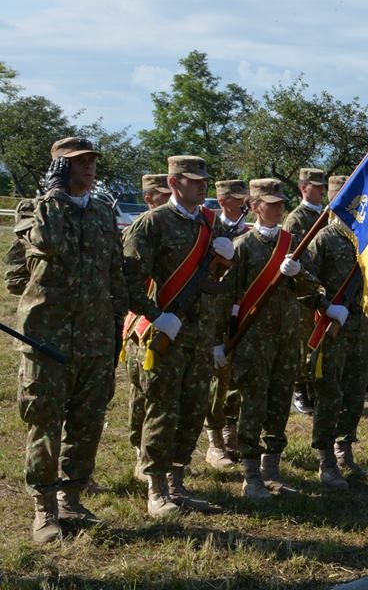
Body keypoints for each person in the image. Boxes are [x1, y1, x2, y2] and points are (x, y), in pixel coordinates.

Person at [15, 137, 128, 543]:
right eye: (79, 163)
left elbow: (116, 273)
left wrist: (118, 325)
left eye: (92, 162)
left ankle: (71, 498)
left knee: (88, 422)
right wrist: (54, 193)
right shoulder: (37, 208)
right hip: (49, 337)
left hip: (97, 337)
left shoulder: (101, 212)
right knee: (45, 422)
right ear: (60, 169)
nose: (89, 168)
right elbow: (45, 243)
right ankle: (44, 510)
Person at [123, 155, 234, 517]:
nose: (201, 185)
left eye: (204, 180)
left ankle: (178, 484)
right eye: (192, 180)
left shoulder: (209, 223)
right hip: (165, 333)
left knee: (192, 410)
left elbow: (215, 284)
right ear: (173, 183)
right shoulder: (151, 223)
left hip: (199, 333)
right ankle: (156, 489)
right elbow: (128, 282)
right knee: (162, 409)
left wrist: (225, 262)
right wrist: (157, 316)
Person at [225, 179, 320, 499]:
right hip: (253, 343)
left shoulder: (294, 244)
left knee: (279, 404)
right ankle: (251, 474)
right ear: (253, 206)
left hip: (286, 338)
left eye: (281, 201)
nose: (278, 207)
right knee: (253, 405)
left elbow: (313, 291)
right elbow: (227, 299)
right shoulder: (243, 247)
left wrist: (299, 274)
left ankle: (272, 471)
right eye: (270, 202)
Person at [304, 175, 368, 489]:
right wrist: (326, 305)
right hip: (333, 329)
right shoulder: (324, 239)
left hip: (360, 328)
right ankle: (326, 460)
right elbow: (306, 283)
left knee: (356, 392)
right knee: (330, 394)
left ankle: (345, 450)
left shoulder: (367, 238)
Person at [122, 174, 172, 480]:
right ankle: (140, 449)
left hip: (171, 316)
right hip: (143, 319)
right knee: (142, 390)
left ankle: (160, 451)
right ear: (147, 198)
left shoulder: (172, 226)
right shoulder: (140, 229)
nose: (165, 199)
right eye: (159, 195)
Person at [203, 179, 250, 470]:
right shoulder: (209, 231)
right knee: (216, 382)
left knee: (236, 379)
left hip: (240, 313)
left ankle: (231, 433)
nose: (244, 202)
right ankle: (214, 441)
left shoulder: (247, 231)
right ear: (222, 201)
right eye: (237, 198)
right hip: (213, 316)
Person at [283, 168, 328, 416]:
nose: (321, 190)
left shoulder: (327, 216)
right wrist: (311, 284)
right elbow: (295, 258)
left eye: (323, 186)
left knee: (320, 342)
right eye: (316, 186)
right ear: (303, 188)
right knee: (303, 342)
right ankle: (300, 388)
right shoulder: (296, 219)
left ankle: (316, 385)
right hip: (304, 291)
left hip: (324, 287)